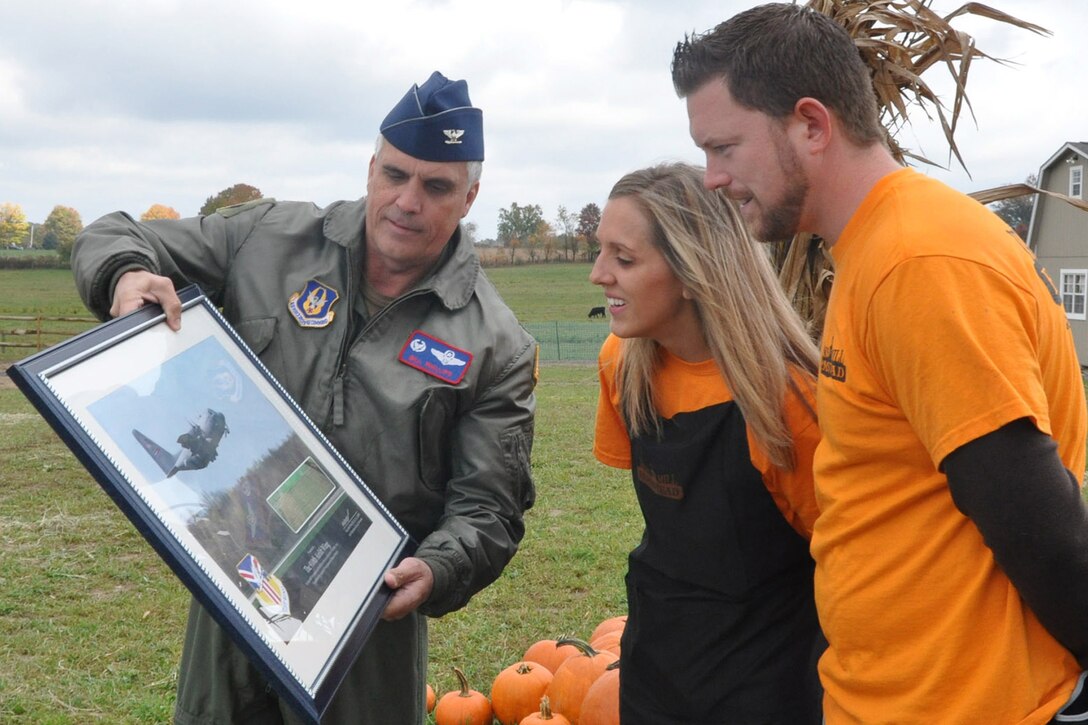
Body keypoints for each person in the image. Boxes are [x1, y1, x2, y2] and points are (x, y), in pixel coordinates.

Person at [71, 70, 538, 724]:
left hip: (366, 618)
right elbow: (112, 232)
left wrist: (434, 569)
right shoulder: (269, 239)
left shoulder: (495, 343)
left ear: (470, 197)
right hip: (232, 584)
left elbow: (488, 508)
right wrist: (126, 274)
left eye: (436, 186)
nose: (408, 200)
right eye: (395, 174)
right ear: (371, 168)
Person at [672, 5, 1088, 723]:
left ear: (810, 123)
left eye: (725, 147)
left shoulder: (920, 260)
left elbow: (1036, 518)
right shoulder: (873, 250)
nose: (711, 177)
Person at [590, 162, 824, 723]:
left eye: (624, 258)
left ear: (694, 270)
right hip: (654, 664)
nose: (599, 274)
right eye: (600, 252)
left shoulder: (788, 402)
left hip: (765, 685)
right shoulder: (622, 366)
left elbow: (844, 564)